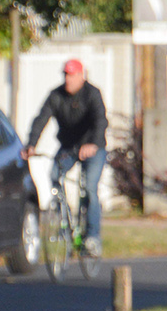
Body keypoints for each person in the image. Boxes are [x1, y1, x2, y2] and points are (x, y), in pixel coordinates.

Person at [23, 58, 107, 256]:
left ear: (81, 75)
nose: (68, 79)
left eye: (72, 75)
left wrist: (93, 143)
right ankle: (66, 223)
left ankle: (93, 237)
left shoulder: (92, 94)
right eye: (65, 75)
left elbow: (100, 119)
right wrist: (31, 144)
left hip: (93, 148)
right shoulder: (56, 95)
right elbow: (41, 118)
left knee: (89, 188)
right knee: (54, 176)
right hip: (68, 147)